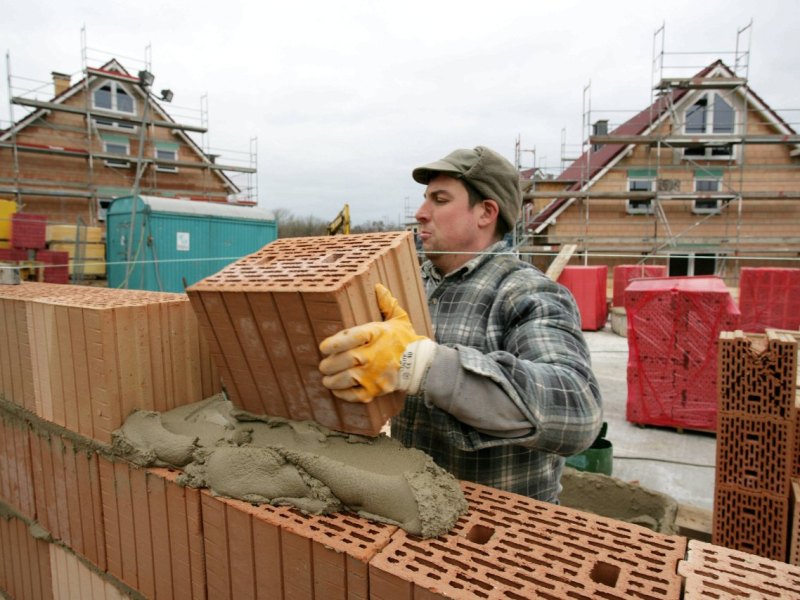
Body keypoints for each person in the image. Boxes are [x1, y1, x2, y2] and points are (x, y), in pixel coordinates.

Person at [318, 145, 602, 502]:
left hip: (497, 531)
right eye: (425, 199)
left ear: (485, 212)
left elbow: (578, 411)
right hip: (412, 509)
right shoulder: (409, 287)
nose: (421, 213)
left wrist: (421, 364)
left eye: (439, 199)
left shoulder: (525, 292)